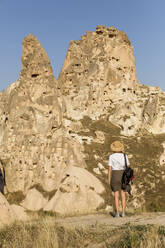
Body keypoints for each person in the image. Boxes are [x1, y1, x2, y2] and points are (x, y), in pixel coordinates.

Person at [108, 140, 130, 217]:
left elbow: (110, 169)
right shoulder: (125, 156)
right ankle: (123, 213)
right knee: (123, 195)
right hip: (123, 175)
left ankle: (117, 213)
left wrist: (109, 179)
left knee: (116, 195)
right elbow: (128, 167)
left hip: (114, 175)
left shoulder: (111, 156)